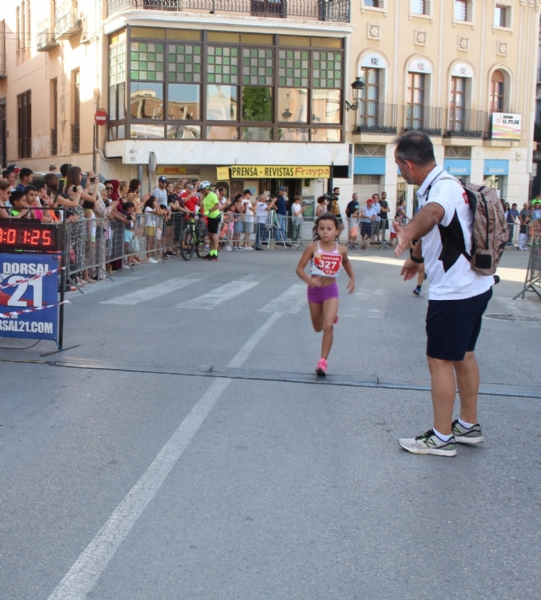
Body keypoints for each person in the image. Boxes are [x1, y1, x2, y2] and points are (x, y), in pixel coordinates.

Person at [393, 130, 494, 457]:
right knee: (463, 355)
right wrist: (417, 258)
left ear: (408, 164)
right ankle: (468, 425)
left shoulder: (442, 189)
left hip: (455, 292)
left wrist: (407, 231)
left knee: (439, 360)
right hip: (476, 286)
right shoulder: (446, 183)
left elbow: (433, 215)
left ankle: (441, 436)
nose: (399, 171)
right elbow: (442, 228)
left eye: (398, 165)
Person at [295, 213, 355, 377]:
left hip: (330, 291)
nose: (325, 232)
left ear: (337, 231)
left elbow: (346, 262)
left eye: (329, 229)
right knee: (318, 327)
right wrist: (309, 280)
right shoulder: (313, 248)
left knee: (328, 326)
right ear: (317, 230)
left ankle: (323, 361)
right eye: (322, 229)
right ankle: (329, 315)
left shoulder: (341, 249)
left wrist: (352, 278)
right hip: (314, 292)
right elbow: (299, 268)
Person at [200, 181, 229, 261]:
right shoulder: (205, 196)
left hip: (215, 216)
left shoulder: (212, 195)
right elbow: (203, 205)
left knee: (214, 235)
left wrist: (209, 211)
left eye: (202, 189)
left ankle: (215, 254)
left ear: (207, 189)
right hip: (210, 217)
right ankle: (211, 252)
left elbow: (217, 206)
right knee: (210, 235)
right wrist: (199, 211)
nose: (201, 191)